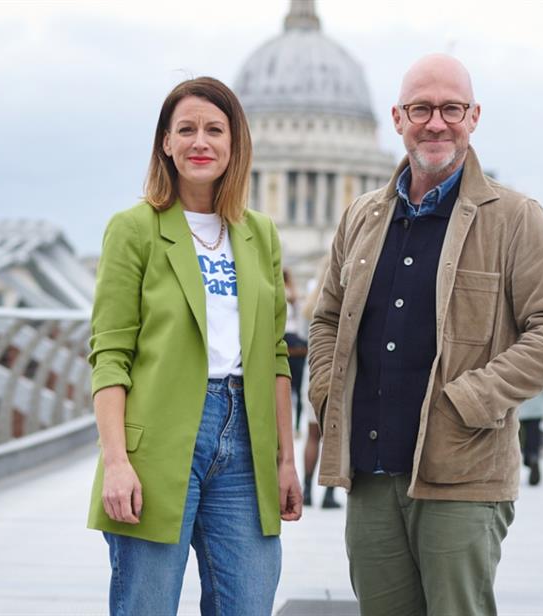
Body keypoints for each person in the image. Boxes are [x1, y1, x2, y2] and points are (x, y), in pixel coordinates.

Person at [308, 54, 543, 616]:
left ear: (474, 116)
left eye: (451, 109)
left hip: (462, 477)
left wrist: (470, 401)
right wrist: (326, 392)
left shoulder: (515, 218)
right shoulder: (360, 216)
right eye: (421, 109)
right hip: (370, 470)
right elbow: (326, 319)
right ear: (397, 117)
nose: (436, 123)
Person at [87, 76, 302, 616]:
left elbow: (275, 354)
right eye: (185, 129)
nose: (199, 142)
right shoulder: (133, 229)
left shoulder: (260, 235)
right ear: (165, 142)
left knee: (249, 603)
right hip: (159, 439)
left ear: (235, 144)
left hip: (246, 443)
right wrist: (116, 461)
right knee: (147, 604)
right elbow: (109, 355)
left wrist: (285, 460)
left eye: (214, 130)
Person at [300, 256, 341, 509]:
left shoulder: (310, 302)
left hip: (312, 368)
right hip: (337, 368)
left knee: (312, 434)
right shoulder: (341, 295)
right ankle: (328, 491)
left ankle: (306, 488)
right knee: (333, 435)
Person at [283, 268, 308, 436]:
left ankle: (290, 426)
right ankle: (296, 426)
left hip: (286, 343)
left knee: (285, 388)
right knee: (296, 390)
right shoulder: (295, 296)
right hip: (297, 345)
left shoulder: (287, 295)